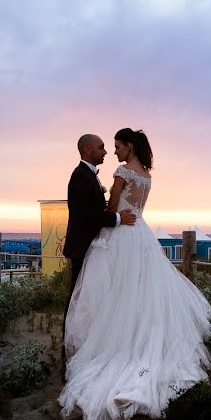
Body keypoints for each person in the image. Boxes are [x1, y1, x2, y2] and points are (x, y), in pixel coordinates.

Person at [59, 128, 211, 420]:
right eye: (109, 147)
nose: (113, 152)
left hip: (120, 236)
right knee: (139, 292)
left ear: (129, 147)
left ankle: (109, 347)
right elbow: (135, 209)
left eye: (117, 146)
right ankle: (134, 341)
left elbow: (112, 209)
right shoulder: (147, 176)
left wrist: (110, 208)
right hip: (140, 234)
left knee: (112, 293)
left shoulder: (121, 172)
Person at [62, 134, 137, 364]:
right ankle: (69, 351)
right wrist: (116, 218)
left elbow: (92, 208)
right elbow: (84, 215)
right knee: (78, 300)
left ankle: (89, 344)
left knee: (90, 298)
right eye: (101, 147)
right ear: (86, 150)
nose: (105, 151)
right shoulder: (79, 177)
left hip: (94, 245)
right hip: (82, 247)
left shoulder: (89, 176)